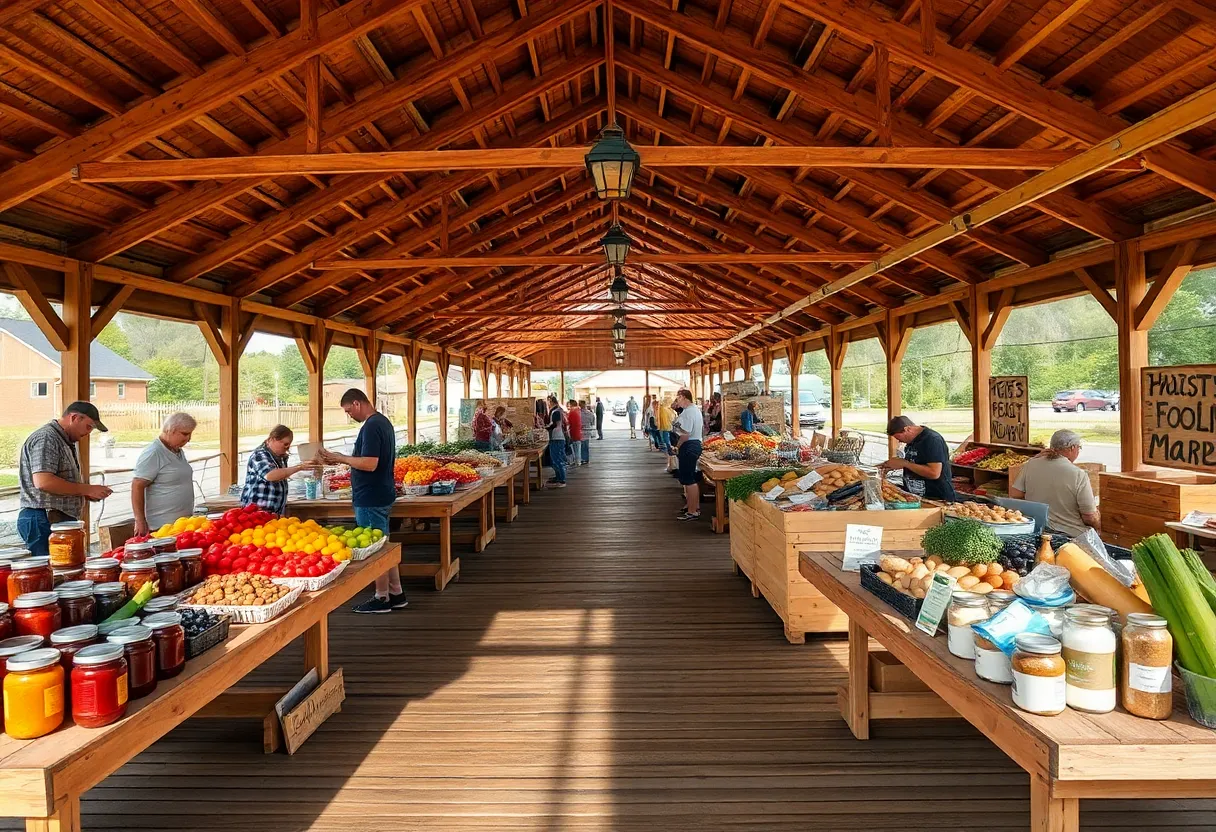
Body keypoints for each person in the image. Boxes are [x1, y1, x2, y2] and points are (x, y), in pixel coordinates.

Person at [319, 389, 405, 614]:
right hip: (382, 492)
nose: (349, 415)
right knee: (384, 546)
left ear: (357, 403)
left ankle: (381, 597)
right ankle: (396, 593)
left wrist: (340, 458)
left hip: (370, 497)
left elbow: (369, 463)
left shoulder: (371, 426)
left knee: (374, 549)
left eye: (349, 411)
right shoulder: (383, 422)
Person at [18, 401, 113, 557]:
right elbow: (43, 481)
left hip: (54, 519)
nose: (88, 432)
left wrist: (85, 493)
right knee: (51, 569)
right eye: (88, 426)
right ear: (74, 418)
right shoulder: (47, 438)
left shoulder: (63, 439)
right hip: (43, 518)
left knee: (67, 568)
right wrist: (86, 489)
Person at [1010, 429, 1100, 537]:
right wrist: (1098, 528)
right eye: (1079, 448)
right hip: (1071, 536)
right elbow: (1089, 517)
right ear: (1072, 448)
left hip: (1037, 530)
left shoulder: (1031, 464)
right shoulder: (1079, 475)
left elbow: (1016, 494)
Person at [132, 412, 197, 536]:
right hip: (161, 526)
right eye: (185, 434)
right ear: (170, 430)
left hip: (181, 524)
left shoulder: (177, 450)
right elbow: (137, 485)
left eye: (190, 434)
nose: (188, 439)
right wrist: (139, 520)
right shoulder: (154, 453)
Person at [240, 425, 318, 516]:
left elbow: (284, 474)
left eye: (289, 444)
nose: (287, 447)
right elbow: (270, 475)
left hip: (272, 512)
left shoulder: (278, 457)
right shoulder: (260, 455)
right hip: (257, 512)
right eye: (285, 444)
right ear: (273, 439)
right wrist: (299, 467)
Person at [879, 416, 957, 502]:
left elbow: (934, 473)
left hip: (936, 498)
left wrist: (905, 463)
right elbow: (915, 462)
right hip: (917, 496)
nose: (900, 441)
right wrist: (891, 465)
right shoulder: (912, 441)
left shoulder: (932, 440)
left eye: (899, 438)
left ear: (907, 429)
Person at [671, 389, 704, 521]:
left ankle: (692, 511)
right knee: (691, 478)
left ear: (684, 397)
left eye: (678, 398)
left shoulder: (689, 412)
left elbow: (685, 434)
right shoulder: (693, 410)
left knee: (689, 480)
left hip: (689, 445)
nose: (677, 401)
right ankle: (693, 506)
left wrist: (676, 447)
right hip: (694, 444)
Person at [545, 394, 567, 488]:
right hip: (556, 437)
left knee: (557, 459)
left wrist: (546, 428)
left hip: (557, 437)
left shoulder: (556, 412)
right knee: (555, 459)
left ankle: (562, 480)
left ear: (551, 401)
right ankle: (558, 477)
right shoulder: (558, 410)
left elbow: (555, 424)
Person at [566, 399, 583, 467]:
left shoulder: (572, 412)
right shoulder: (578, 411)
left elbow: (569, 423)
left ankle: (577, 461)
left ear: (571, 405)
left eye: (569, 405)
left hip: (574, 432)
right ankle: (577, 461)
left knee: (576, 448)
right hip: (577, 432)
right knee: (577, 448)